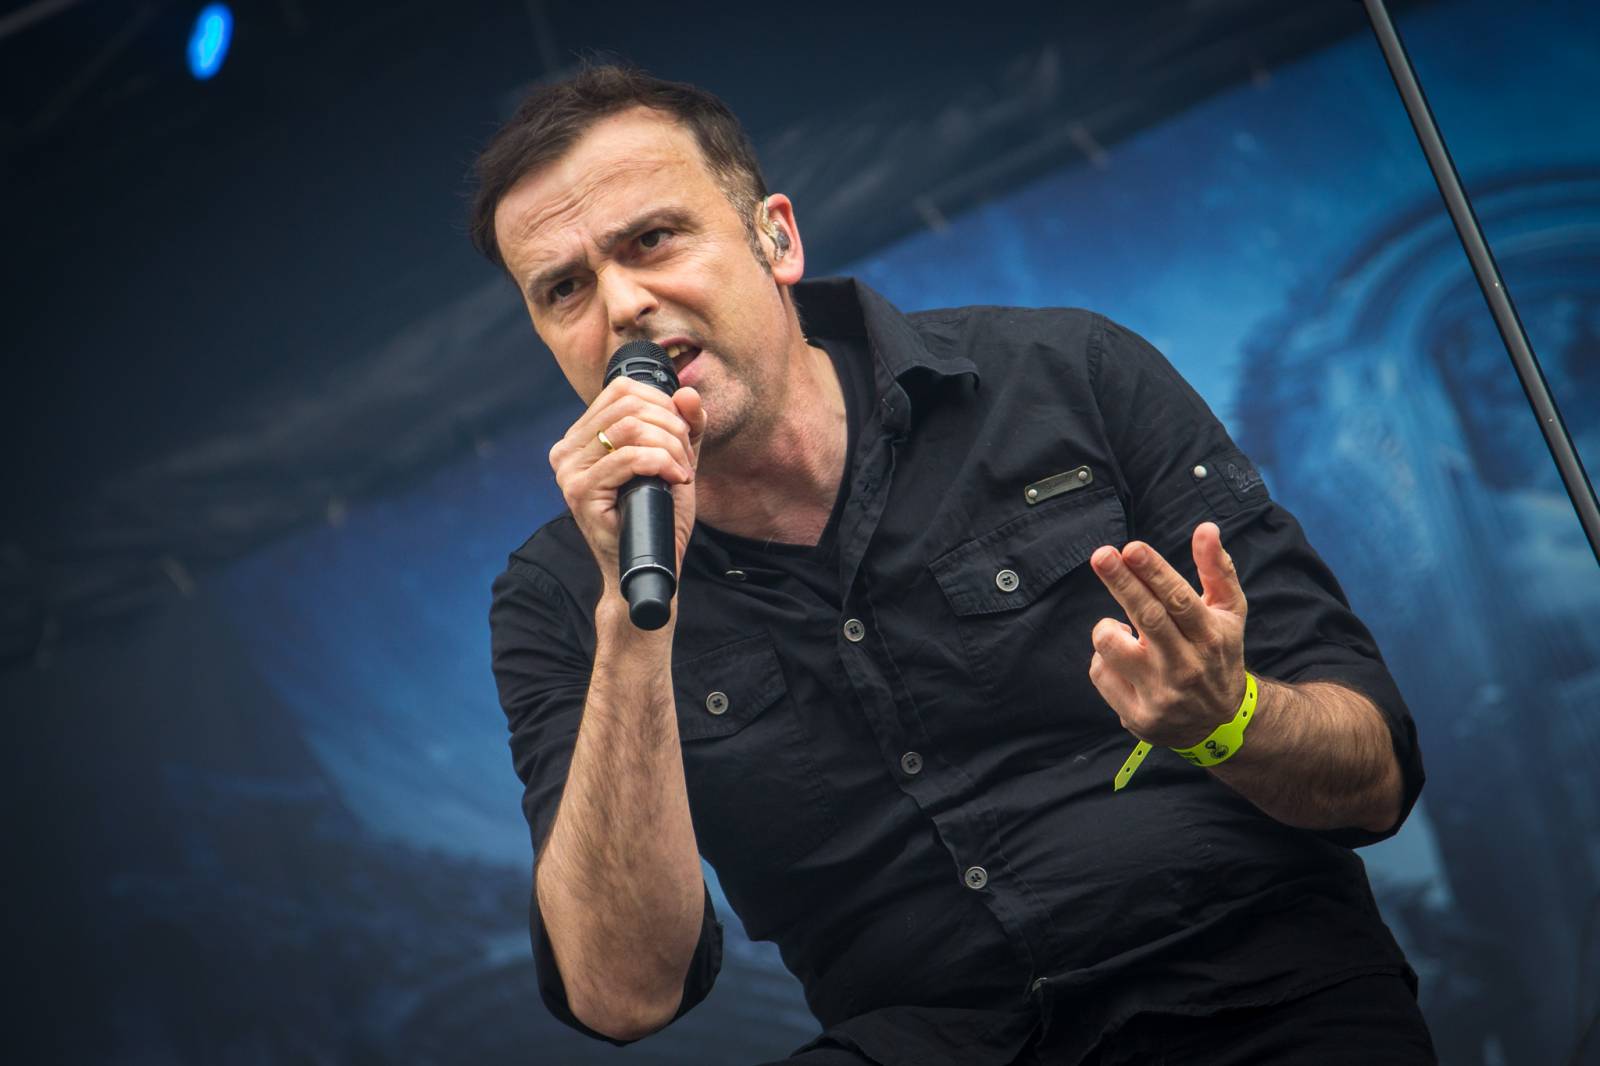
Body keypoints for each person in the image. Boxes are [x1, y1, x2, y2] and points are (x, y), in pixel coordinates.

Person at [472, 64, 1436, 1065]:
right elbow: (622, 994)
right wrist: (632, 623)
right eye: (565, 288)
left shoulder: (1070, 378)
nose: (622, 304)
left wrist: (1229, 719)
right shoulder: (557, 596)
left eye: (652, 240)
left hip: (1249, 984)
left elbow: (1374, 775)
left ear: (776, 239)